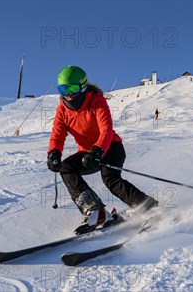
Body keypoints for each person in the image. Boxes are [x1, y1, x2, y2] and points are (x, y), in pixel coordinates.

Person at [47, 66, 158, 234]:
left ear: (82, 86)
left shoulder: (96, 101)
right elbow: (57, 135)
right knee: (66, 168)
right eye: (63, 89)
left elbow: (106, 129)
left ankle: (150, 208)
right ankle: (95, 210)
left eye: (72, 88)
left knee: (111, 180)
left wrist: (98, 150)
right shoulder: (62, 110)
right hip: (88, 153)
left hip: (110, 147)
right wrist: (54, 153)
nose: (68, 94)